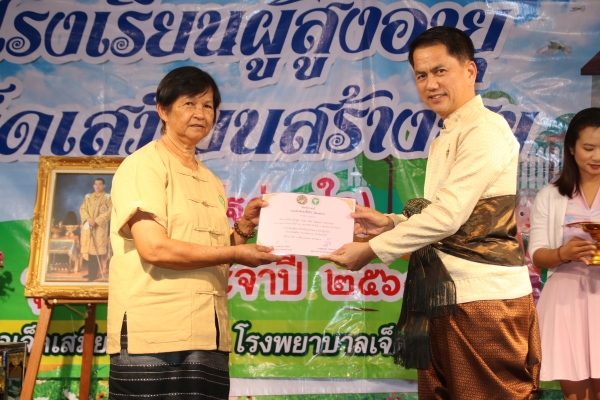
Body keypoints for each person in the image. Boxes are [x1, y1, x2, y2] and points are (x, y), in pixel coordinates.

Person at [320, 26, 540, 398]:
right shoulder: (449, 133)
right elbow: (448, 214)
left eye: (440, 71)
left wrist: (371, 250)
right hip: (448, 295)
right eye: (421, 75)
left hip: (482, 300)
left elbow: (447, 218)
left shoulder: (484, 130)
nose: (431, 84)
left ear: (470, 71)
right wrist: (388, 222)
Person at [107, 66, 282, 399]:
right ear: (163, 110)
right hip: (154, 333)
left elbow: (213, 253)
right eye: (189, 103)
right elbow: (154, 248)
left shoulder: (210, 179)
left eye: (208, 105)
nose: (201, 113)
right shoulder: (144, 165)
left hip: (206, 332)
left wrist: (244, 227)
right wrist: (235, 252)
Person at [529, 108, 600, 400]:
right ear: (571, 148)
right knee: (577, 395)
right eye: (589, 148)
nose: (597, 156)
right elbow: (537, 254)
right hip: (566, 299)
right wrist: (563, 253)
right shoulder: (550, 195)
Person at [79, 177, 112, 281]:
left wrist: (96, 221)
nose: (97, 186)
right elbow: (82, 209)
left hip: (99, 228)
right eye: (96, 184)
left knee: (95, 252)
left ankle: (93, 275)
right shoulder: (89, 197)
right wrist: (88, 219)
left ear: (104, 186)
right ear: (93, 186)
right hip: (88, 227)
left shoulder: (107, 198)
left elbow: (109, 212)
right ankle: (90, 273)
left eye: (100, 184)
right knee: (89, 251)